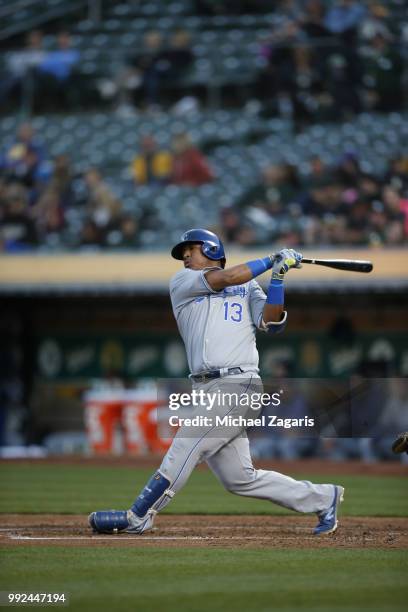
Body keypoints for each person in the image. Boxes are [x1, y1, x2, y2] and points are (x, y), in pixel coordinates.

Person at [89, 228, 344, 536]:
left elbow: (272, 322)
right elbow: (225, 279)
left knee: (187, 442)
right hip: (206, 388)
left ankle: (138, 515)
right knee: (240, 478)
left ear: (211, 249)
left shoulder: (248, 285)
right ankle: (324, 498)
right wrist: (270, 260)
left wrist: (277, 277)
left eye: (191, 250)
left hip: (239, 384)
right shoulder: (182, 282)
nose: (184, 257)